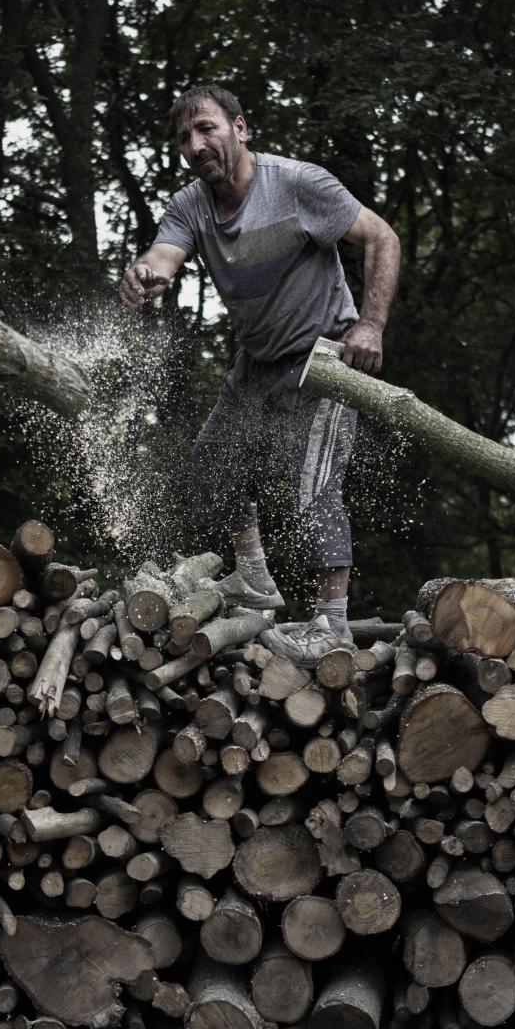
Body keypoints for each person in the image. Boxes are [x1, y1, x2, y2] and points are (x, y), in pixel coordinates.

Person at [116, 85, 401, 665]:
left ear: (240, 128)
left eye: (207, 128)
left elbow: (382, 236)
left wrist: (369, 327)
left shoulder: (298, 184)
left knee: (312, 485)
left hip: (323, 359)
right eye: (184, 138)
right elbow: (164, 255)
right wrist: (144, 272)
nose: (196, 146)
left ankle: (334, 625)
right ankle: (255, 582)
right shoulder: (191, 205)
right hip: (256, 362)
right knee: (214, 461)